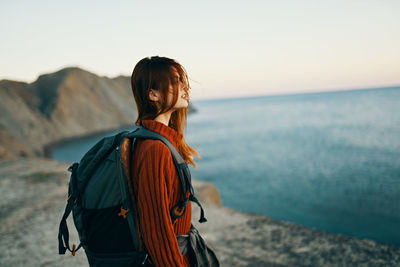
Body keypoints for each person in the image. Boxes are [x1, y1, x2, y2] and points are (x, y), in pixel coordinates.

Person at [129, 56, 219, 267]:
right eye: (175, 81)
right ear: (153, 94)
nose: (184, 87)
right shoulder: (154, 149)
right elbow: (156, 230)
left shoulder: (160, 141)